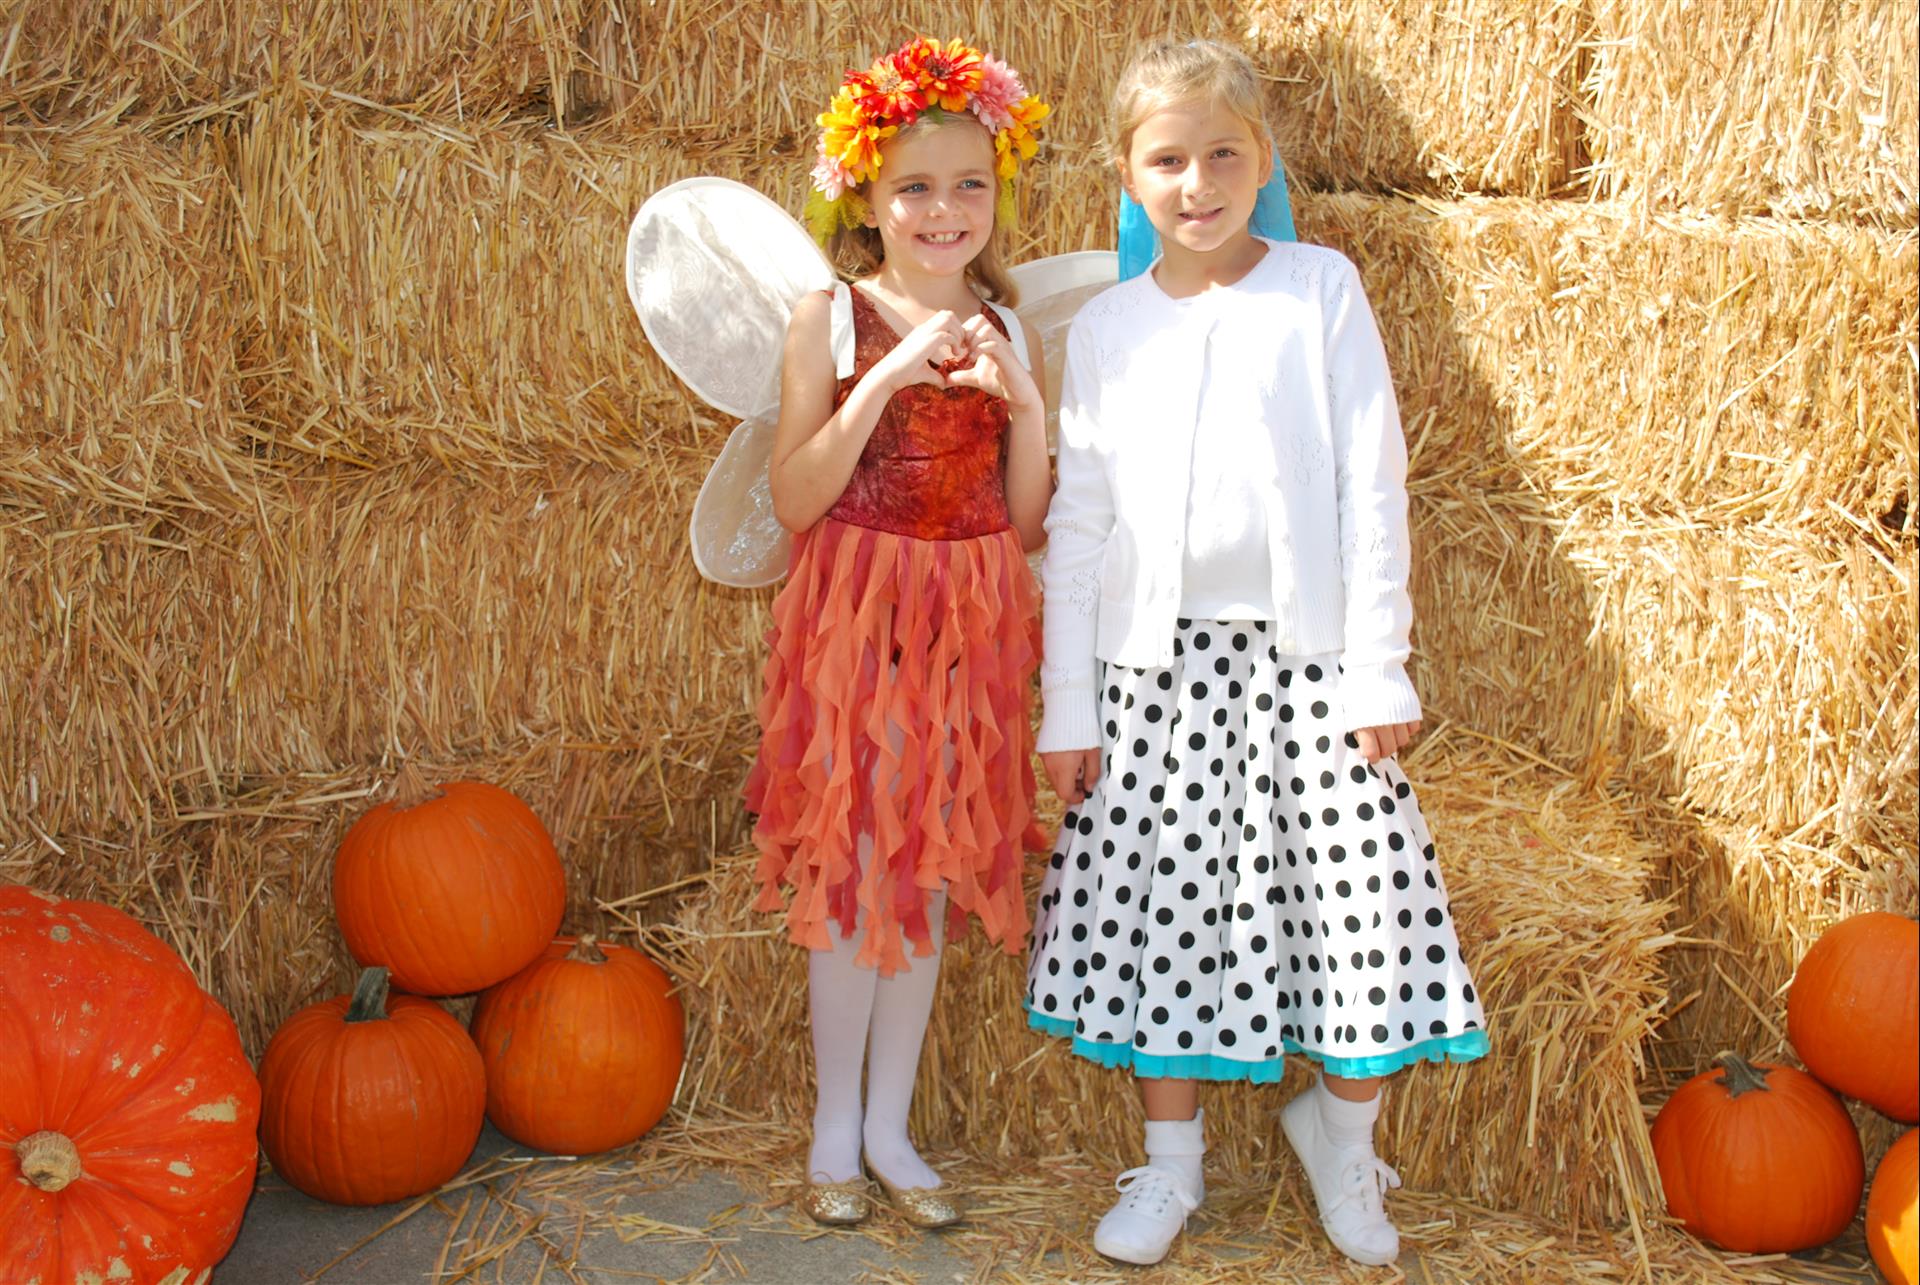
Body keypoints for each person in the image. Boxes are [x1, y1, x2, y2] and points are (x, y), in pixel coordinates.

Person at [1026, 38, 1488, 1268]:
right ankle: (1170, 1168)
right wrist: (1066, 701)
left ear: (1264, 160)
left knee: (1361, 904)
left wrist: (1379, 664)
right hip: (1154, 680)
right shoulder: (1111, 329)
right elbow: (1078, 522)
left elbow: (1369, 482)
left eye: (1222, 153)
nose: (1197, 181)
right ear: (1128, 176)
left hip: (1312, 674)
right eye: (1167, 159)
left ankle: (1343, 1139)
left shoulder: (1318, 289)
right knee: (1167, 911)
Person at [744, 36, 1052, 1230]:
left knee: (923, 861)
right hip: (861, 614)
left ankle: (891, 1125)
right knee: (856, 851)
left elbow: (1025, 518)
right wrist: (891, 375)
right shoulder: (831, 315)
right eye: (914, 186)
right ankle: (834, 1125)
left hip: (967, 618)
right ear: (866, 197)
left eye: (969, 184)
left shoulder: (1010, 329)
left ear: (999, 195)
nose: (943, 209)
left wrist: (1019, 402)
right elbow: (794, 495)